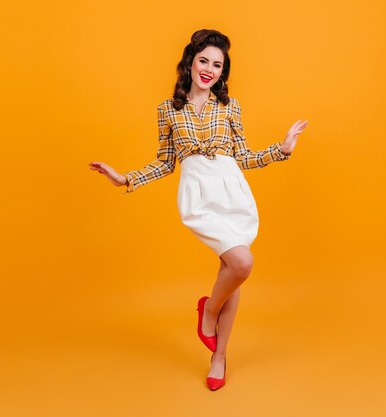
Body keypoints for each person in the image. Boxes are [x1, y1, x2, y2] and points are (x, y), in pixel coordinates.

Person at [89, 29, 308, 391]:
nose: (209, 69)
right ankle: (207, 313)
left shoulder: (230, 107)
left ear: (223, 72)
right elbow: (165, 162)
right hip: (199, 195)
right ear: (190, 62)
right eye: (203, 60)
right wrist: (125, 179)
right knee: (241, 264)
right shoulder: (168, 110)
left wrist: (281, 150)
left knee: (233, 268)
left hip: (232, 190)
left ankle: (219, 355)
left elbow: (245, 158)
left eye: (217, 65)